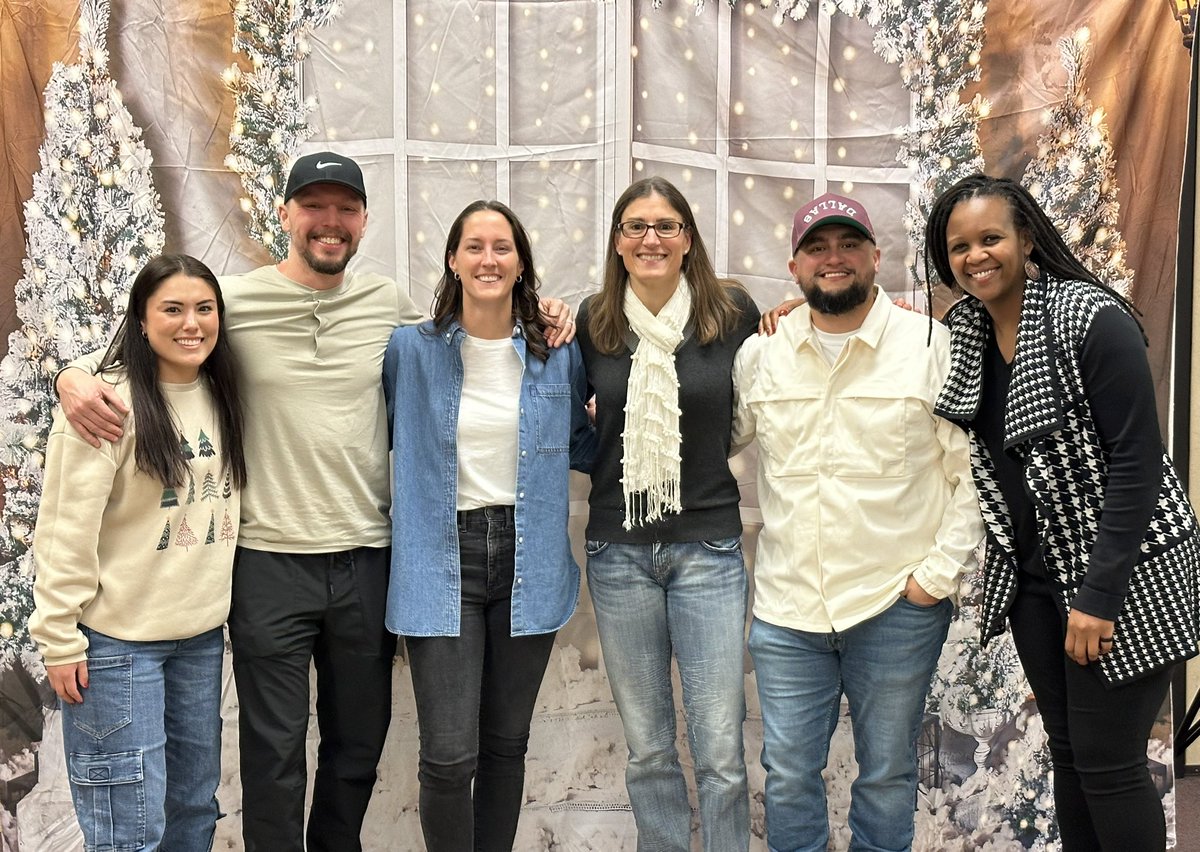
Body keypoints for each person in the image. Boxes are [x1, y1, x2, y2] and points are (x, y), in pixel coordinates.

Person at [53, 152, 576, 852]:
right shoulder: (230, 304)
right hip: (268, 561)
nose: (329, 222)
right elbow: (146, 341)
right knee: (272, 756)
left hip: (366, 558)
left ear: (362, 221)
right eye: (313, 206)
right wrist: (70, 375)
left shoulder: (388, 307)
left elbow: (470, 337)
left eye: (345, 209)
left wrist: (543, 309)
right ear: (285, 214)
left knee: (357, 747)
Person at [925, 174, 1200, 851]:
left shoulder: (1091, 318)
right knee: (1072, 760)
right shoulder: (967, 330)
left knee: (1110, 766)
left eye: (990, 238)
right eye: (958, 247)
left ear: (1025, 238)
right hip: (1035, 584)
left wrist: (1099, 596)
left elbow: (1138, 461)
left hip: (1127, 575)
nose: (975, 256)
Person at [732, 192, 983, 852]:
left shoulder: (931, 344)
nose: (833, 258)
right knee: (787, 776)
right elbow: (715, 438)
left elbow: (972, 473)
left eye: (848, 245)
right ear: (794, 267)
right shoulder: (762, 353)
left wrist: (933, 578)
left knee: (887, 776)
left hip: (894, 608)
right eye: (818, 247)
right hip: (788, 613)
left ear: (876, 258)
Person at [383, 200, 596, 851]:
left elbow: (583, 446)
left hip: (529, 561)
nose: (488, 258)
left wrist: (613, 408)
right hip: (438, 559)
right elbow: (368, 434)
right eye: (474, 246)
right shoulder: (409, 351)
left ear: (521, 262)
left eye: (502, 247)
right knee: (449, 755)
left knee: (506, 746)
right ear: (452, 258)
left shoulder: (555, 353)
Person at [30, 254, 247, 852]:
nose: (191, 324)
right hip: (118, 648)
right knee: (131, 829)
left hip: (200, 641)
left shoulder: (224, 391)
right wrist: (58, 638)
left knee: (194, 814)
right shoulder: (106, 406)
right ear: (142, 320)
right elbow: (64, 529)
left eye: (205, 309)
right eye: (172, 309)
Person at [575, 176, 759, 851]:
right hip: (618, 555)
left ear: (687, 240)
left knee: (719, 753)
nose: (650, 237)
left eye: (665, 225)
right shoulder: (593, 323)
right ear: (619, 243)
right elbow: (563, 420)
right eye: (635, 226)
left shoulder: (732, 313)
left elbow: (753, 407)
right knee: (649, 750)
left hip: (708, 549)